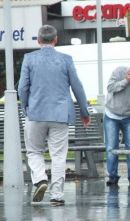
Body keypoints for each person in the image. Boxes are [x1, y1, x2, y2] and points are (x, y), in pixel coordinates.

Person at [18, 25, 90, 206]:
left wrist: (26, 106)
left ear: (38, 40)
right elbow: (77, 87)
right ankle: (56, 196)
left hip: (35, 113)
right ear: (56, 39)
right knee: (58, 155)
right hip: (60, 115)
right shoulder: (66, 60)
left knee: (34, 151)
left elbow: (22, 87)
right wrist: (84, 111)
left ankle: (40, 179)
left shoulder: (29, 59)